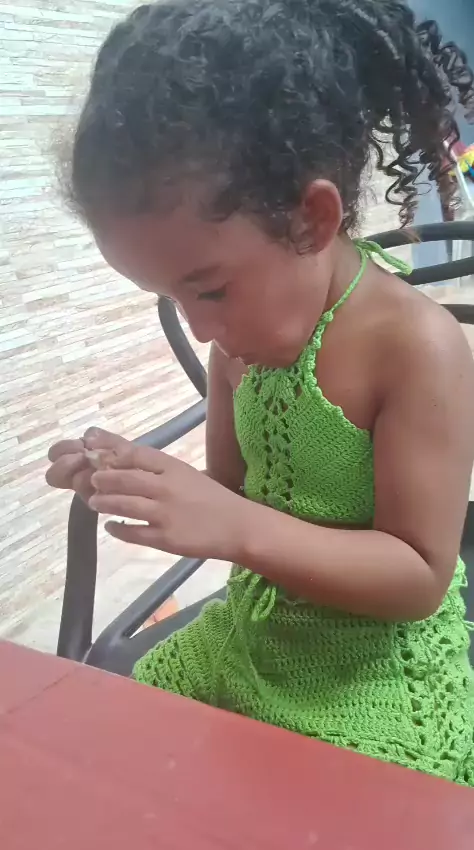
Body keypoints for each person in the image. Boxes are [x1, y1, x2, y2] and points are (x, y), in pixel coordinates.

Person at [46, 0, 474, 784]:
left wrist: (236, 528)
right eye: (172, 298)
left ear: (312, 220)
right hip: (253, 643)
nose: (201, 328)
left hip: (374, 678)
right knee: (108, 764)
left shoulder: (417, 349)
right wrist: (137, 478)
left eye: (208, 289)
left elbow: (419, 574)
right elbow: (232, 496)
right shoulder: (239, 345)